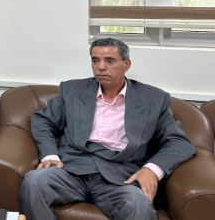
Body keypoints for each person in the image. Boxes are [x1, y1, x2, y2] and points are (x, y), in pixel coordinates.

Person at [18, 38, 196, 220]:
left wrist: (152, 170)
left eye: (109, 61)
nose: (101, 67)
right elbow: (43, 120)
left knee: (138, 204)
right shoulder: (73, 90)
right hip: (71, 170)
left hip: (120, 178)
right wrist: (50, 155)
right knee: (33, 181)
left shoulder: (153, 99)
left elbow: (178, 143)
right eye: (95, 60)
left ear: (126, 65)